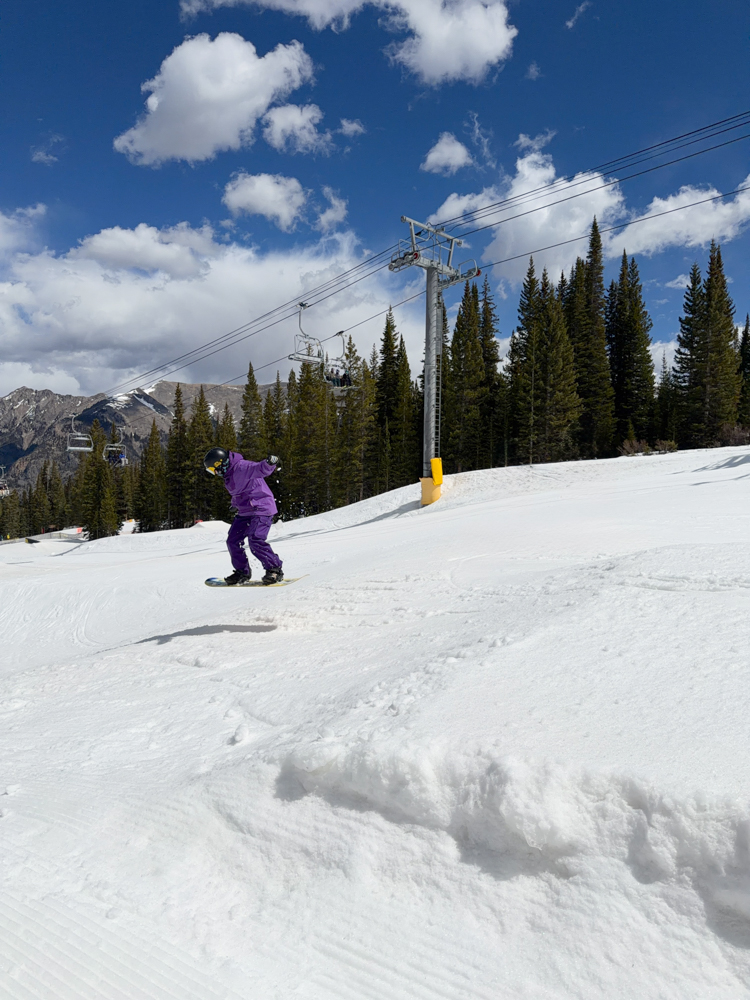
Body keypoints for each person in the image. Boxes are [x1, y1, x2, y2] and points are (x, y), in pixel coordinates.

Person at [203, 447, 284, 586]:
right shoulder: (228, 474)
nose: (214, 473)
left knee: (255, 540)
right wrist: (234, 503)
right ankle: (242, 572)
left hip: (261, 507)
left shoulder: (242, 466)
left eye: (213, 469)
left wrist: (271, 462)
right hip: (245, 511)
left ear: (221, 463)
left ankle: (274, 569)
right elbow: (240, 491)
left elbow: (261, 469)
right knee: (233, 541)